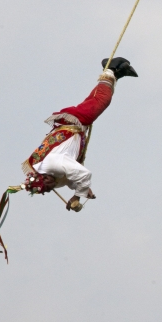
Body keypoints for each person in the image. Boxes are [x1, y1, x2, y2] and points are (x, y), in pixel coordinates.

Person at [20, 57, 138, 210]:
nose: (50, 185)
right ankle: (117, 73)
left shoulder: (52, 164)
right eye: (48, 188)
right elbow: (70, 176)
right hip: (75, 126)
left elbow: (84, 174)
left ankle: (111, 68)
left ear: (41, 177)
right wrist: (82, 189)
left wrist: (77, 195)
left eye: (46, 183)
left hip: (73, 124)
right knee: (95, 100)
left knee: (101, 101)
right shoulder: (52, 175)